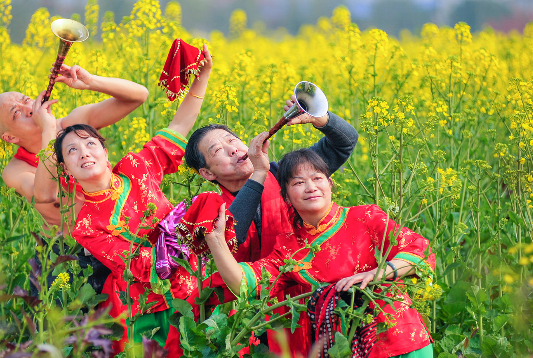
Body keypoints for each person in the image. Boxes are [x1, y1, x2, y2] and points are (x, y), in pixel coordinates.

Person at [49, 45, 212, 355]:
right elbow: (135, 264)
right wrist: (181, 240)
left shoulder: (137, 166)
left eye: (89, 144)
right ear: (67, 172)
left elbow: (181, 124)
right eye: (72, 151)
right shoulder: (85, 225)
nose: (84, 152)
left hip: (193, 282)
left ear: (105, 152)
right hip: (144, 309)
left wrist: (202, 75)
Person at [203, 148, 436, 358]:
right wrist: (216, 243)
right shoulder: (290, 247)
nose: (311, 187)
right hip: (345, 349)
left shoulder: (365, 217)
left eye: (317, 178)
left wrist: (378, 273)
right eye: (298, 183)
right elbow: (247, 284)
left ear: (330, 184)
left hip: (402, 340)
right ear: (286, 196)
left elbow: (419, 249)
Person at [184, 96, 359, 354]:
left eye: (232, 140)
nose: (232, 149)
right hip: (249, 313)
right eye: (218, 151)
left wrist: (320, 119)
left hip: (309, 295)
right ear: (208, 173)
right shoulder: (209, 205)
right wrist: (258, 172)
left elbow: (345, 143)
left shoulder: (286, 176)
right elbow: (234, 233)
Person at [0, 64, 149, 295]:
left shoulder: (72, 126)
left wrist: (91, 81)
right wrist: (49, 131)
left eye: (26, 101)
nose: (29, 108)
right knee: (60, 327)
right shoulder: (16, 169)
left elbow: (139, 96)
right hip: (66, 255)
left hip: (115, 234)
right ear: (10, 137)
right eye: (17, 113)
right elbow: (46, 195)